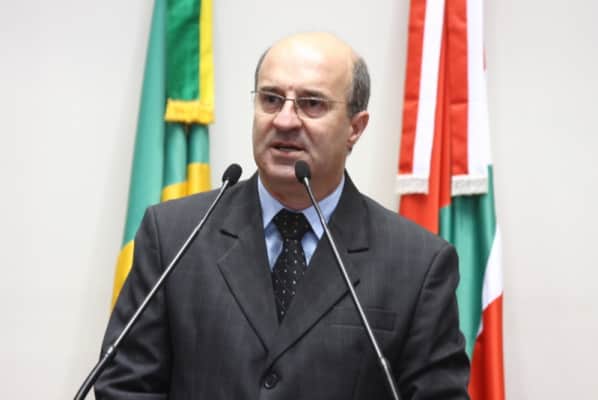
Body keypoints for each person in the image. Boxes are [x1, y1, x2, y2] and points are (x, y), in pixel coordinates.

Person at [95, 32, 470, 399]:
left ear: (355, 128)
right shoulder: (174, 235)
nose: (285, 120)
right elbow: (125, 387)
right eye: (271, 99)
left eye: (312, 104)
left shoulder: (417, 264)